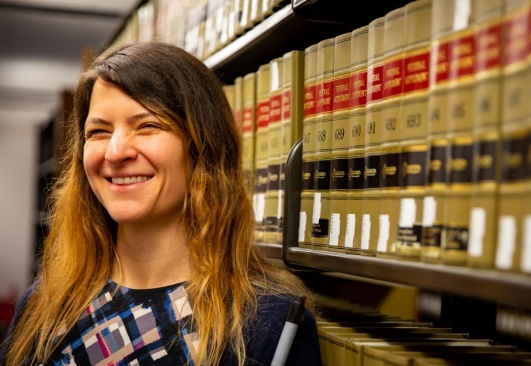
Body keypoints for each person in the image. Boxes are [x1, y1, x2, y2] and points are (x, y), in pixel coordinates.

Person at [0, 42, 321, 365]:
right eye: (98, 131)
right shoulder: (45, 303)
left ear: (204, 148)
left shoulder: (269, 322)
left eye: (147, 126)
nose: (115, 152)